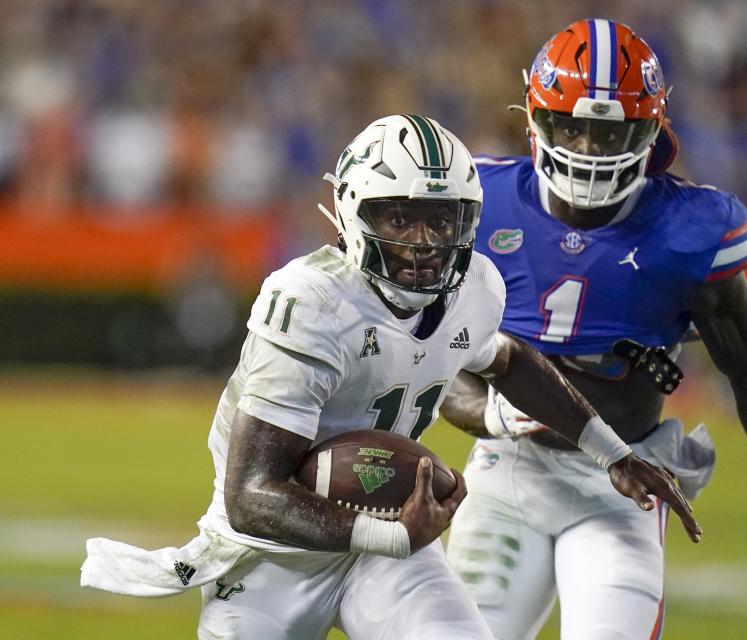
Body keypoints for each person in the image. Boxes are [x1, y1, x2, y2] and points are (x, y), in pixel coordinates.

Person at [80, 114, 700, 640]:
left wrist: (612, 453)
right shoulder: (310, 303)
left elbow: (506, 358)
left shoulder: (476, 286)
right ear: (353, 212)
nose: (423, 242)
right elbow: (251, 497)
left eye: (442, 219)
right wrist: (392, 532)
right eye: (399, 219)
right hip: (274, 556)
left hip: (384, 548)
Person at [440, 19, 747, 640]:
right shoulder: (476, 202)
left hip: (622, 487)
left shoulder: (687, 228)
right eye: (572, 125)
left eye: (610, 131)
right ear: (534, 119)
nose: (587, 146)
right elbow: (432, 358)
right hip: (506, 474)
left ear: (650, 131)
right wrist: (492, 416)